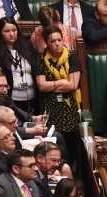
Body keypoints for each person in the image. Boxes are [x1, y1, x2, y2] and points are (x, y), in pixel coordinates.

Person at [34, 27, 80, 160]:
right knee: (53, 141)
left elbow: (73, 85)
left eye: (60, 40)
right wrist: (62, 82)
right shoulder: (41, 59)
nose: (57, 43)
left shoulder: (72, 57)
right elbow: (41, 86)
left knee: (71, 145)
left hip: (69, 106)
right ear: (46, 43)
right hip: (50, 107)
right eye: (53, 41)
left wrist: (52, 84)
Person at [0, 18, 38, 114]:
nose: (11, 34)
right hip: (12, 101)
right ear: (0, 33)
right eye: (7, 31)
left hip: (32, 99)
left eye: (14, 30)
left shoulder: (27, 47)